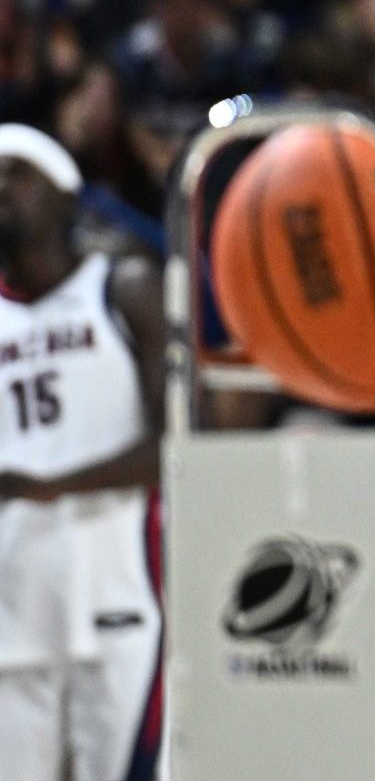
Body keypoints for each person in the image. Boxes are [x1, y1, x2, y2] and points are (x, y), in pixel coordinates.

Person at [0, 125, 167, 781]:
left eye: (18, 174)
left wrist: (49, 483)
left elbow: (179, 444)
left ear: (68, 195)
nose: (1, 190)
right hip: (13, 598)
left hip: (118, 591)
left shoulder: (124, 288)